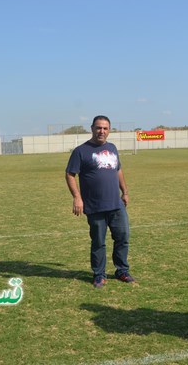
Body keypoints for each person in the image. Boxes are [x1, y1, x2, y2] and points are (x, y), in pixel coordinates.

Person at [65, 115, 135, 288]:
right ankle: (99, 274)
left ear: (109, 130)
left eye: (105, 128)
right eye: (98, 128)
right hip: (95, 206)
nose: (101, 131)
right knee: (98, 242)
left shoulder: (112, 148)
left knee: (123, 237)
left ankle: (122, 270)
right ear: (92, 129)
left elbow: (118, 170)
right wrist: (77, 197)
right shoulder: (80, 151)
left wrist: (124, 191)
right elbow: (70, 174)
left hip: (116, 205)